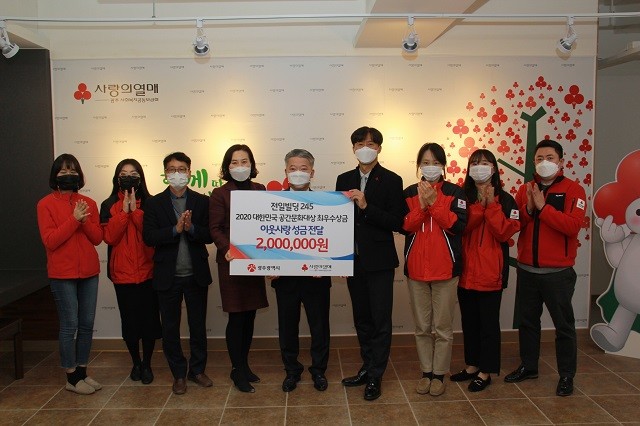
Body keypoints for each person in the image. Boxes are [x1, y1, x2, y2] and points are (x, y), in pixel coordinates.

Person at [504, 139, 587, 397]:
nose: (544, 162)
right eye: (539, 158)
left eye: (550, 158)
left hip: (558, 274)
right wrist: (529, 208)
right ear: (533, 162)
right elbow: (515, 224)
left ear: (561, 162)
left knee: (564, 326)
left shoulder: (574, 190)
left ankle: (566, 375)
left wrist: (543, 208)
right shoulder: (525, 189)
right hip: (527, 270)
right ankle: (529, 366)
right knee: (528, 322)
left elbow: (573, 226)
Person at [335, 126, 406, 401]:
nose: (366, 148)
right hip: (352, 260)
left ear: (379, 148)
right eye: (360, 144)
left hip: (379, 262)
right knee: (362, 319)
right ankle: (367, 367)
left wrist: (366, 207)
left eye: (371, 144)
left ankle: (376, 375)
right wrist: (337, 259)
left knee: (380, 320)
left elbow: (397, 222)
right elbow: (338, 222)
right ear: (353, 148)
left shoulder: (392, 180)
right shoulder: (344, 178)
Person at [142, 152, 213, 395]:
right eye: (172, 169)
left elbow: (210, 235)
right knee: (170, 329)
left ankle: (197, 370)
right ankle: (179, 374)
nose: (177, 174)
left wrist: (191, 228)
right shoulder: (154, 203)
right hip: (167, 277)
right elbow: (149, 237)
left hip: (196, 275)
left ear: (190, 172)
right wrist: (175, 229)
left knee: (198, 327)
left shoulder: (202, 201)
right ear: (165, 174)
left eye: (182, 169)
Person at [451, 149, 520, 392]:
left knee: (489, 325)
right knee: (469, 322)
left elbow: (504, 232)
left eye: (484, 163)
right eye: (475, 163)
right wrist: (480, 206)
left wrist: (491, 206)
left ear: (494, 168)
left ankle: (486, 371)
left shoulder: (507, 200)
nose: (479, 167)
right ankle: (472, 365)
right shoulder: (462, 196)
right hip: (465, 271)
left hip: (492, 273)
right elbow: (459, 227)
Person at [402, 142, 467, 397]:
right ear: (419, 166)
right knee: (422, 327)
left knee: (442, 327)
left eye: (436, 163)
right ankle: (426, 372)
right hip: (416, 271)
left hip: (445, 270)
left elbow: (458, 226)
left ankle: (439, 374)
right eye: (426, 163)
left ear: (443, 165)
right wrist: (422, 206)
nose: (430, 167)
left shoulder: (455, 192)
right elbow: (405, 226)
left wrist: (435, 203)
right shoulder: (409, 192)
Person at [37, 153, 103, 395]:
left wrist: (84, 221)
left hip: (89, 272)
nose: (68, 175)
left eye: (72, 170)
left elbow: (97, 238)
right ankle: (71, 376)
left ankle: (82, 372)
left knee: (86, 324)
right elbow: (51, 241)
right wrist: (74, 220)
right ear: (55, 175)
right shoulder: (45, 204)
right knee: (69, 325)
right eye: (63, 171)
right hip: (62, 274)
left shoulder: (89, 203)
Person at [270, 149, 331, 393]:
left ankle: (319, 371)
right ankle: (291, 371)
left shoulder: (326, 203)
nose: (298, 173)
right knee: (287, 327)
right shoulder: (272, 203)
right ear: (285, 172)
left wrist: (325, 263)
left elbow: (331, 238)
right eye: (293, 168)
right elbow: (268, 237)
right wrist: (269, 264)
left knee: (319, 327)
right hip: (285, 278)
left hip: (316, 277)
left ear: (312, 173)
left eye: (303, 169)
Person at [209, 144, 268, 393]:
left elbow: (267, 223)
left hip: (253, 260)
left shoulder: (260, 189)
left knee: (250, 315)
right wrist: (226, 248)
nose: (240, 166)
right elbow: (215, 228)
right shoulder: (219, 193)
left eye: (244, 162)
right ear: (227, 166)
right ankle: (237, 369)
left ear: (252, 165)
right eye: (234, 162)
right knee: (236, 316)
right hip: (232, 262)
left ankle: (244, 365)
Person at [100, 159, 161, 385]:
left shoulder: (152, 203)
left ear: (140, 178)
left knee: (149, 322)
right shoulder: (108, 205)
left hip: (149, 272)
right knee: (130, 323)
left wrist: (136, 212)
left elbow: (151, 236)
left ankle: (147, 364)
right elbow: (109, 237)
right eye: (124, 174)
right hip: (122, 275)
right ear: (117, 178)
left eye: (133, 173)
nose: (128, 177)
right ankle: (136, 362)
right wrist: (124, 212)